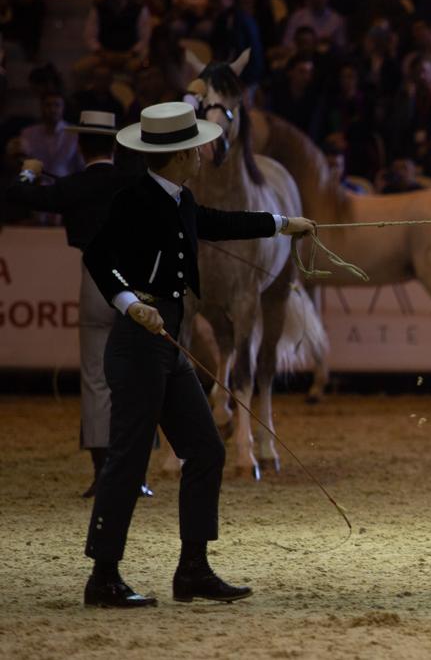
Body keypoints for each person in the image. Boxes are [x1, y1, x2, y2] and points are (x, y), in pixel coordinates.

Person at [80, 102, 314, 608]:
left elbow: (215, 222)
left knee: (205, 450)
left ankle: (192, 569)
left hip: (168, 343)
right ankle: (103, 576)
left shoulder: (181, 199)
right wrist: (128, 303)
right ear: (180, 155)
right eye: (196, 148)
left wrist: (280, 223)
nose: (204, 154)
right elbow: (99, 257)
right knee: (128, 459)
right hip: (139, 342)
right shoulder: (132, 199)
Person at [2, 111, 152, 498]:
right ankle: (135, 476)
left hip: (94, 283)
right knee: (137, 380)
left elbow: (19, 193)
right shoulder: (135, 182)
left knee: (96, 379)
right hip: (135, 285)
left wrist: (30, 170)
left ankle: (104, 474)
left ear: (82, 145)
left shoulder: (74, 186)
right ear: (115, 146)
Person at [21, 91, 84, 179]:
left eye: (57, 105)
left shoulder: (75, 133)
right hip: (37, 186)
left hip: (67, 187)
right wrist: (27, 185)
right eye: (48, 105)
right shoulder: (28, 133)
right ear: (41, 107)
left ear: (63, 107)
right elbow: (25, 165)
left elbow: (80, 165)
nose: (52, 109)